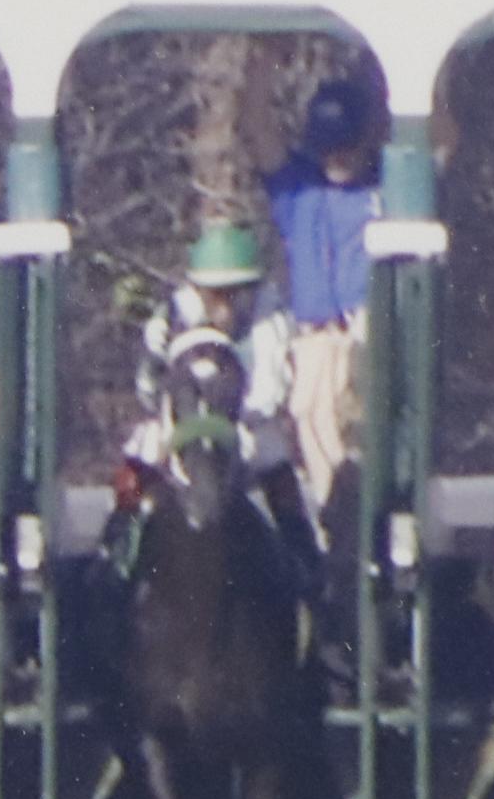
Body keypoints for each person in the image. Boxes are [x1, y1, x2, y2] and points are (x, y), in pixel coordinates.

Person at [121, 223, 328, 610]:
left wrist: (232, 418)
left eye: (237, 295)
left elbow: (271, 388)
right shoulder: (169, 318)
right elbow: (149, 384)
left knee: (275, 459)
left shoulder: (271, 321)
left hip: (244, 427)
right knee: (140, 454)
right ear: (198, 290)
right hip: (180, 426)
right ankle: (116, 551)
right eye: (216, 295)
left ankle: (304, 560)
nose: (226, 308)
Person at [243, 71, 386, 537]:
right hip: (315, 340)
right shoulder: (297, 189)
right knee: (314, 424)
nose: (337, 157)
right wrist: (260, 62)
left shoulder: (383, 187)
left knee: (361, 439)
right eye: (327, 146)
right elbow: (258, 129)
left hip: (367, 333)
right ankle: (334, 538)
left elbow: (444, 141)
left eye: (346, 145)